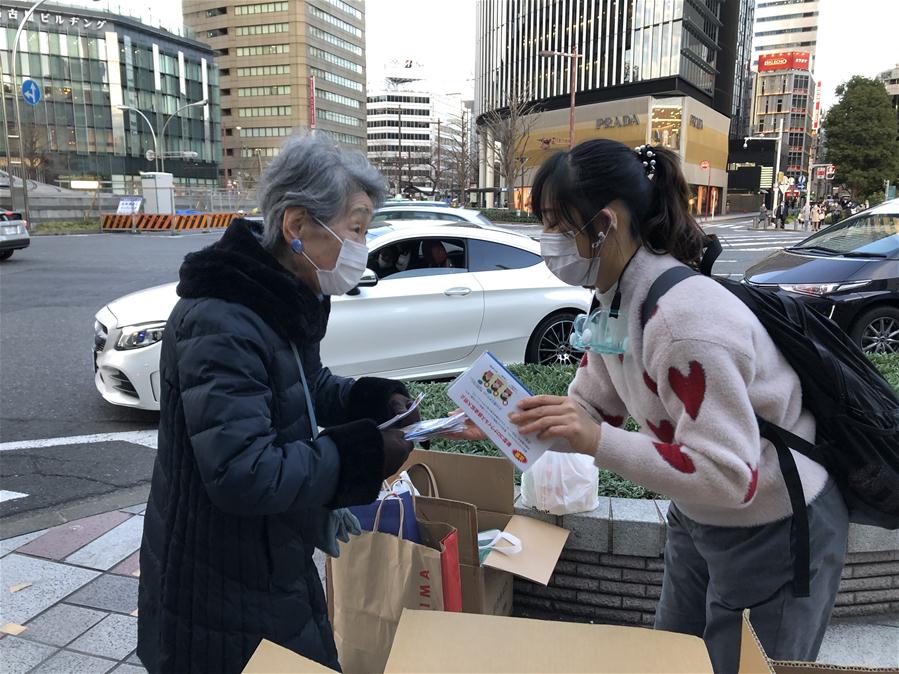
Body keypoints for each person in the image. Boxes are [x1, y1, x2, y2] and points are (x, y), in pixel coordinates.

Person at [445, 139, 848, 673]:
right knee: (673, 658)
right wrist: (505, 423)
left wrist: (599, 442)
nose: (546, 242)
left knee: (746, 666)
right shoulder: (616, 298)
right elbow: (589, 407)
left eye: (556, 225)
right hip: (700, 514)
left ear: (605, 223)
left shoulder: (684, 324)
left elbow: (730, 475)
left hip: (774, 523)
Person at [137, 134, 419, 674]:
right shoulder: (221, 320)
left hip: (265, 559)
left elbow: (304, 390)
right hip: (214, 584)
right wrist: (362, 454)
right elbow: (243, 469)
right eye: (356, 228)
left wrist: (372, 399)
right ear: (296, 226)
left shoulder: (277, 300)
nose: (362, 245)